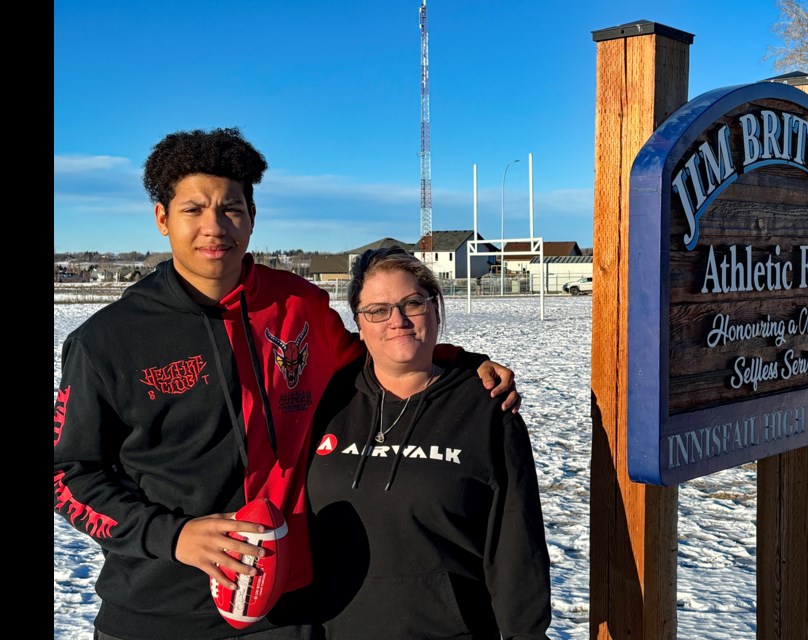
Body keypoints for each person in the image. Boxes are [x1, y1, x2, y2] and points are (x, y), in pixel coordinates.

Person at [52, 127, 519, 640]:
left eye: (231, 208)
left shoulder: (298, 306)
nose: (215, 227)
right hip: (157, 611)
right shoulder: (107, 342)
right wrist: (176, 536)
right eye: (193, 209)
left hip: (289, 612)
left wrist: (460, 359)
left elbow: (370, 357)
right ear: (162, 218)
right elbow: (68, 475)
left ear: (252, 218)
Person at [307, 247, 551, 639]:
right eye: (378, 310)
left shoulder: (486, 406)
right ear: (359, 323)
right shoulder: (328, 399)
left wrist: (526, 634)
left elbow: (516, 544)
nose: (398, 320)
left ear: (435, 310)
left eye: (413, 303)